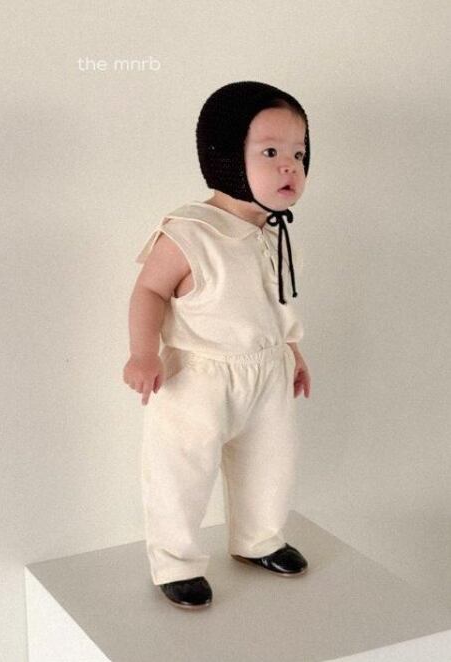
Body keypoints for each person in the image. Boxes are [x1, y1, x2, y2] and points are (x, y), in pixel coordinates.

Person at [123, 81, 313, 609]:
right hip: (199, 378)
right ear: (225, 156)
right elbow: (149, 291)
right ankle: (175, 562)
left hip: (267, 373)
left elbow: (275, 302)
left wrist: (291, 351)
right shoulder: (190, 232)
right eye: (270, 152)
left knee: (270, 462)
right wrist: (142, 352)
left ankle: (259, 538)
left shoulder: (272, 232)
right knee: (180, 472)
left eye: (299, 154)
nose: (289, 166)